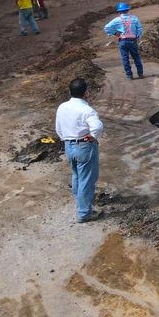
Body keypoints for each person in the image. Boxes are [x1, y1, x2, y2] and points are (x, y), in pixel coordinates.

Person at [55, 78, 104, 223]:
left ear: (70, 91)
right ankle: (84, 213)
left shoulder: (62, 107)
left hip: (69, 146)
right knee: (86, 180)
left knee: (76, 175)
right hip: (84, 147)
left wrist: (66, 139)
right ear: (86, 93)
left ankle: (80, 203)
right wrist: (93, 137)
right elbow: (97, 127)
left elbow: (58, 128)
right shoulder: (87, 110)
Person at [104, 2, 144, 80]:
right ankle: (140, 74)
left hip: (123, 41)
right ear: (128, 10)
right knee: (136, 57)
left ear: (119, 11)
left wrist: (115, 33)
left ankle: (129, 76)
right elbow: (140, 29)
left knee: (125, 59)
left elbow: (107, 27)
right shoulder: (134, 18)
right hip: (132, 41)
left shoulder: (116, 20)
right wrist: (137, 36)